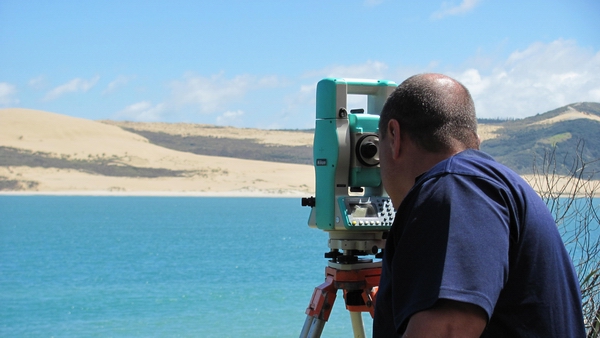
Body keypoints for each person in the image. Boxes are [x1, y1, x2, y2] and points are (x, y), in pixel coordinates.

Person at [372, 73, 586, 337]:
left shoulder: (457, 187)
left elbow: (447, 330)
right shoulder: (489, 184)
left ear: (394, 136)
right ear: (474, 141)